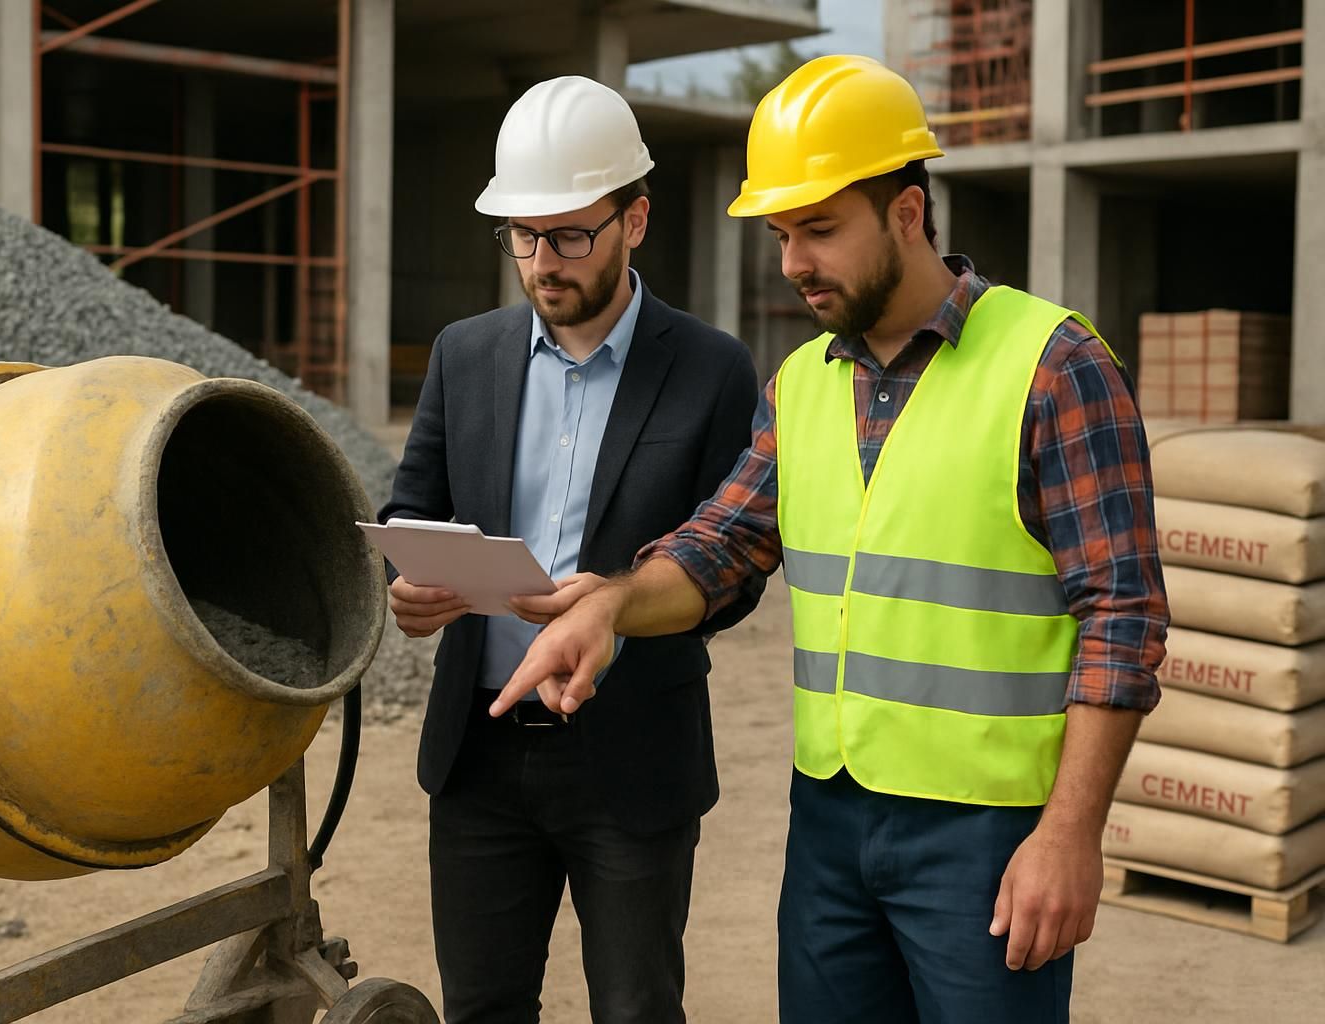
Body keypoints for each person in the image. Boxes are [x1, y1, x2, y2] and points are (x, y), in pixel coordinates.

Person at [494, 55, 1169, 1023]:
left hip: (987, 832)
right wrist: (612, 604)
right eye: (780, 234)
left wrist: (1069, 834)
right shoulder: (801, 383)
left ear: (906, 212)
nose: (793, 263)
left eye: (819, 229)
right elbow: (722, 544)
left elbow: (1123, 613)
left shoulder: (1053, 366)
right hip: (830, 820)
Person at [379, 75, 762, 1024]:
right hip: (478, 755)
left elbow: (736, 572)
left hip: (632, 759)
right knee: (481, 1008)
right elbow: (412, 509)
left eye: (570, 236)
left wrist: (622, 603)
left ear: (636, 220)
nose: (543, 262)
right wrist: (409, 586)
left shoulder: (711, 368)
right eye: (523, 235)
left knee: (635, 1011)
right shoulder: (464, 354)